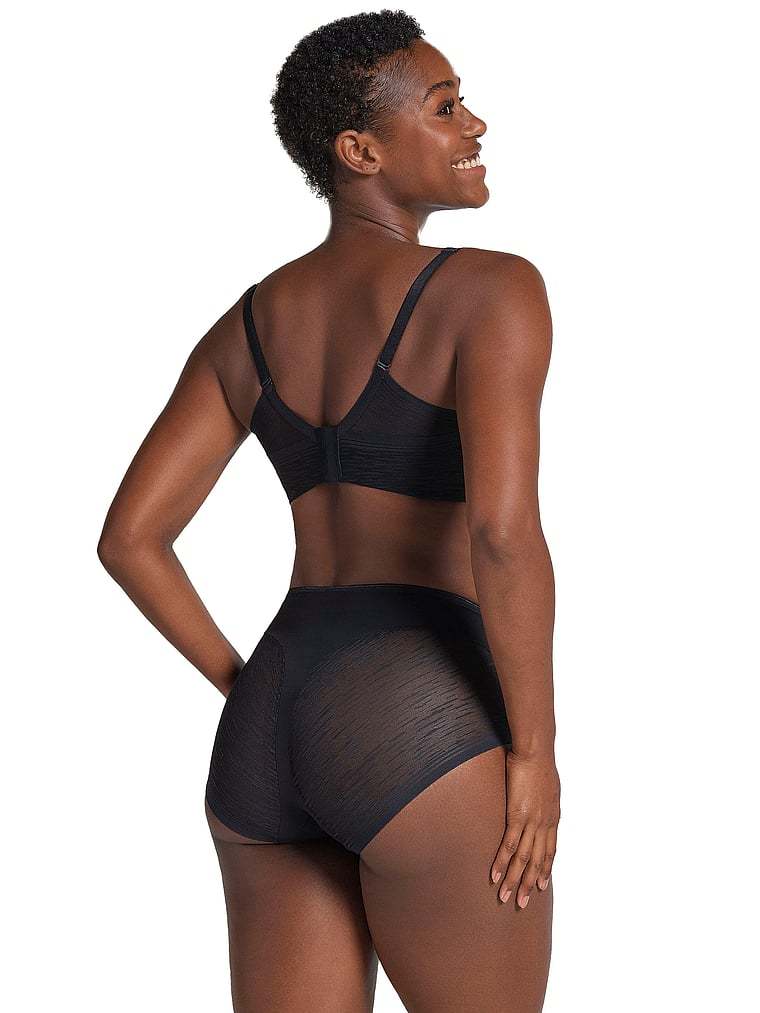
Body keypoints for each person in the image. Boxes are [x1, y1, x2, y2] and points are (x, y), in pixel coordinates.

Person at [97, 10, 560, 1012]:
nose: (475, 123)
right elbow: (501, 534)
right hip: (419, 710)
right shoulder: (492, 291)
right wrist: (534, 754)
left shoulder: (249, 324)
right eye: (445, 107)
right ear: (360, 152)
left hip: (270, 715)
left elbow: (130, 539)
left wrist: (246, 686)